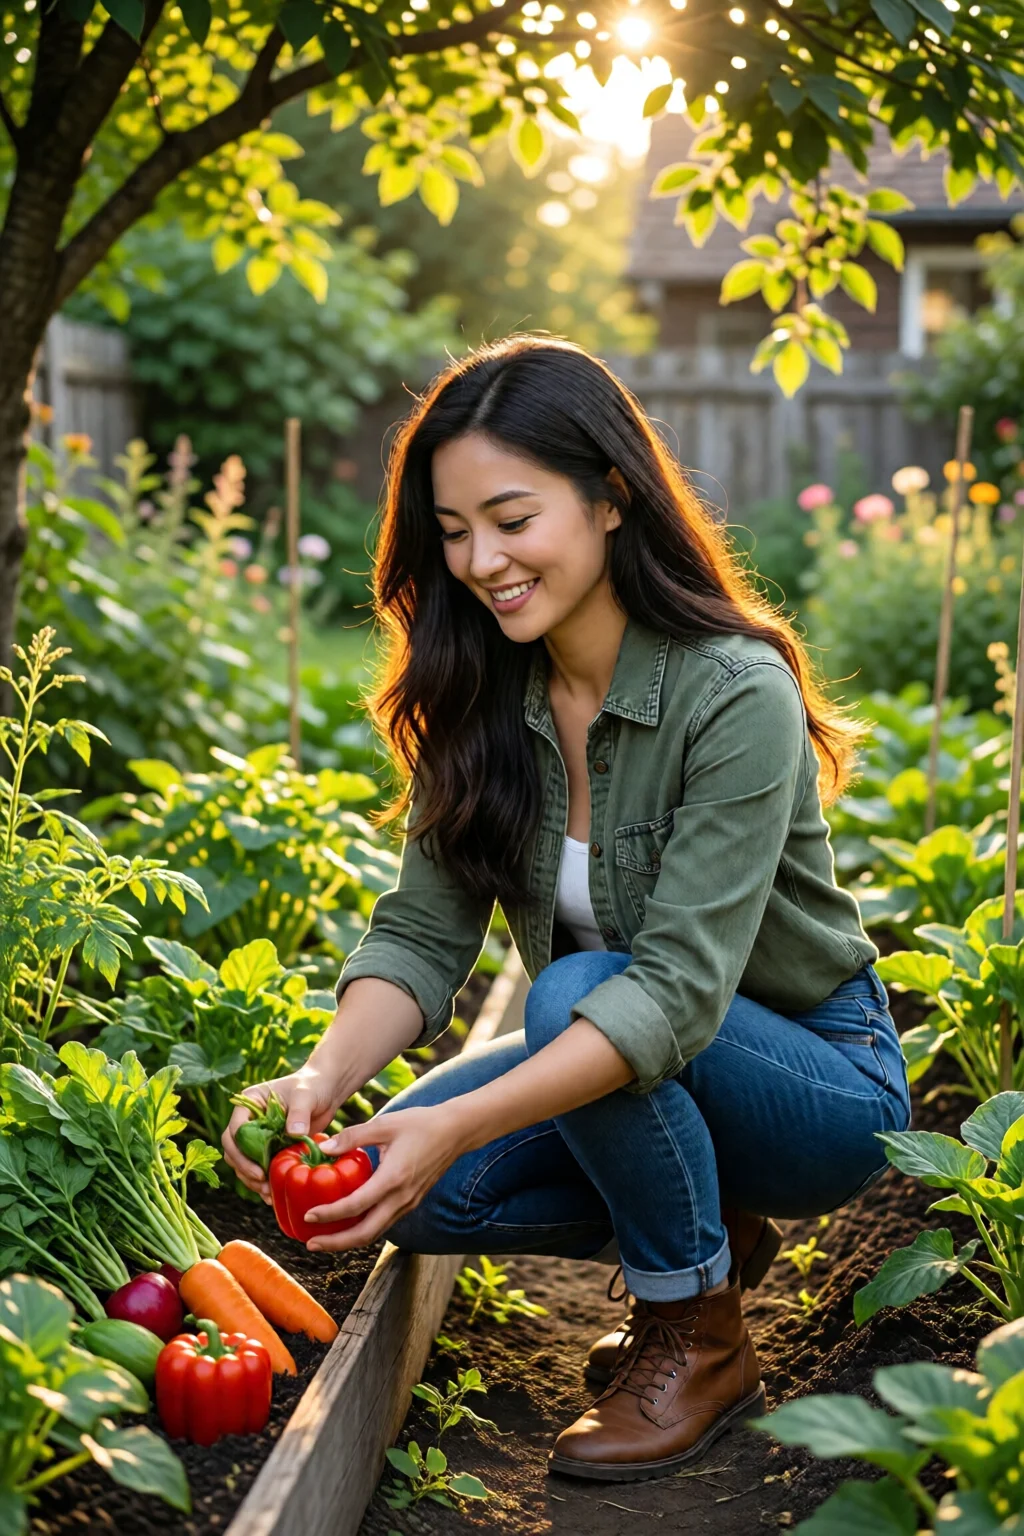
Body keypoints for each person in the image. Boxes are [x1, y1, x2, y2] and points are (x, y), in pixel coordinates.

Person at [223, 335, 912, 1484]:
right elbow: (421, 934)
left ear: (609, 498)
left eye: (510, 517)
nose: (481, 560)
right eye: (452, 533)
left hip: (815, 1086)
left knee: (576, 995)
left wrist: (456, 1114)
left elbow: (678, 996)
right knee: (414, 1200)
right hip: (624, 1056)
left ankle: (693, 1328)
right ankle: (702, 1231)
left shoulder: (731, 691)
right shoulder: (483, 696)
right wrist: (321, 1079)